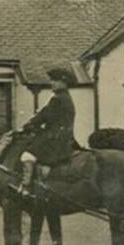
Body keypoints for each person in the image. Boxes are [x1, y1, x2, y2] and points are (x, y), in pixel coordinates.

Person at [15, 66, 77, 198]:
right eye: (52, 80)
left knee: (27, 155)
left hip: (54, 138)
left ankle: (26, 187)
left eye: (55, 80)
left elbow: (45, 116)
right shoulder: (64, 97)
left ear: (64, 83)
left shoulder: (58, 99)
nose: (51, 83)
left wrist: (27, 127)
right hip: (61, 136)